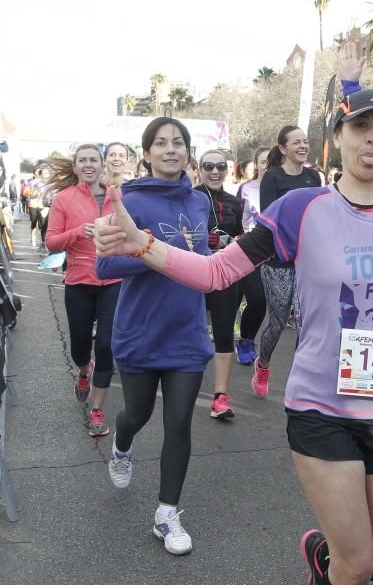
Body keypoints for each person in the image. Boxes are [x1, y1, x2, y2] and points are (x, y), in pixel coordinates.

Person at [95, 89, 373, 585]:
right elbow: (217, 273)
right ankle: (336, 565)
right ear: (338, 136)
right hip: (322, 411)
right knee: (356, 568)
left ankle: (322, 557)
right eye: (361, 126)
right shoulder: (300, 208)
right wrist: (143, 245)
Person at [96, 117, 213, 556]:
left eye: (178, 142)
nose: (170, 149)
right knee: (136, 414)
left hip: (186, 333)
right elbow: (106, 267)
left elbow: (201, 259)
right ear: (146, 153)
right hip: (142, 332)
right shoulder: (130, 201)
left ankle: (167, 514)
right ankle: (121, 444)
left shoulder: (199, 202)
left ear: (187, 151)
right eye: (160, 143)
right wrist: (157, 254)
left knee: (179, 423)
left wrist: (197, 259)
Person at [45, 145, 120, 437]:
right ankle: (84, 370)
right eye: (82, 160)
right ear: (75, 167)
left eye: (94, 160)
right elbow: (51, 243)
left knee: (105, 344)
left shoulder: (117, 196)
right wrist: (80, 231)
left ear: (102, 165)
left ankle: (98, 409)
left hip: (113, 281)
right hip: (79, 281)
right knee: (80, 347)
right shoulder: (64, 199)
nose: (88, 165)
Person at [253, 124, 321, 396]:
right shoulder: (273, 177)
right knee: (278, 321)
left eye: (305, 141)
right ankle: (263, 363)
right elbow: (270, 218)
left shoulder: (314, 176)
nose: (303, 146)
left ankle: (299, 380)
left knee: (305, 323)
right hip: (278, 258)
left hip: (307, 259)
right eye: (296, 142)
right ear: (283, 148)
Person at [196, 149, 245, 419]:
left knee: (225, 332)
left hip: (225, 273)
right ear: (199, 168)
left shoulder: (234, 202)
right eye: (208, 166)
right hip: (193, 273)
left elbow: (238, 232)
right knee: (190, 332)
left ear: (227, 170)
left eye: (220, 166)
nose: (215, 171)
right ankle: (181, 386)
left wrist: (236, 242)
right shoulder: (189, 196)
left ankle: (220, 398)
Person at [234, 146, 270, 365]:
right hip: (248, 249)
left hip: (275, 251)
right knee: (255, 299)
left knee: (264, 303)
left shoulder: (280, 188)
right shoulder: (246, 188)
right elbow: (236, 217)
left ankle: (249, 339)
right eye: (264, 161)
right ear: (256, 164)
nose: (268, 164)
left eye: (272, 160)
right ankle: (245, 341)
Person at [28, 164, 51, 253]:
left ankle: (43, 243)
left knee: (45, 225)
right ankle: (34, 239)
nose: (45, 174)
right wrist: (36, 193)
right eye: (44, 172)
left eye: (47, 173)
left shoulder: (52, 182)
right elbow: (31, 194)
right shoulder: (35, 183)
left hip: (47, 206)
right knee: (35, 223)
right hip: (36, 205)